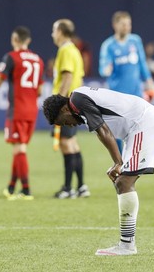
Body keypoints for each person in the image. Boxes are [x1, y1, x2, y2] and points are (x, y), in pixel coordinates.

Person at [42, 86, 154, 256]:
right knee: (121, 183)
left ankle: (127, 246)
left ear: (64, 109)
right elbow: (104, 132)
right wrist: (117, 163)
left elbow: (104, 131)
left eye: (64, 121)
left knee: (124, 182)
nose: (68, 125)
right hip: (137, 128)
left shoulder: (77, 100)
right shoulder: (79, 104)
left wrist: (118, 162)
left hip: (144, 123)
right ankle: (126, 244)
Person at [0, 26, 44, 201]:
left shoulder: (11, 57)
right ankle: (11, 187)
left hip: (18, 109)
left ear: (14, 39)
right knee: (19, 148)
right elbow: (40, 90)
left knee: (19, 149)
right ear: (28, 40)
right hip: (32, 110)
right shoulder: (38, 60)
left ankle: (26, 190)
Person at [99, 11, 154, 152]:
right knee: (117, 130)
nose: (127, 27)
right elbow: (103, 68)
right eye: (123, 24)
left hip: (136, 93)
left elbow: (142, 64)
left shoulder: (135, 41)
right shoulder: (109, 45)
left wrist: (150, 82)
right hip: (117, 95)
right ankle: (120, 161)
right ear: (115, 25)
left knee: (137, 127)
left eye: (128, 24)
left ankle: (131, 160)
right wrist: (106, 69)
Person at [51, 18, 90, 199]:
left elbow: (67, 77)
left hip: (66, 104)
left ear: (60, 32)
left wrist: (59, 103)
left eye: (54, 30)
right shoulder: (75, 50)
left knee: (66, 144)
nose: (52, 34)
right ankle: (81, 186)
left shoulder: (65, 50)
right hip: (75, 102)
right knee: (73, 144)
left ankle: (68, 189)